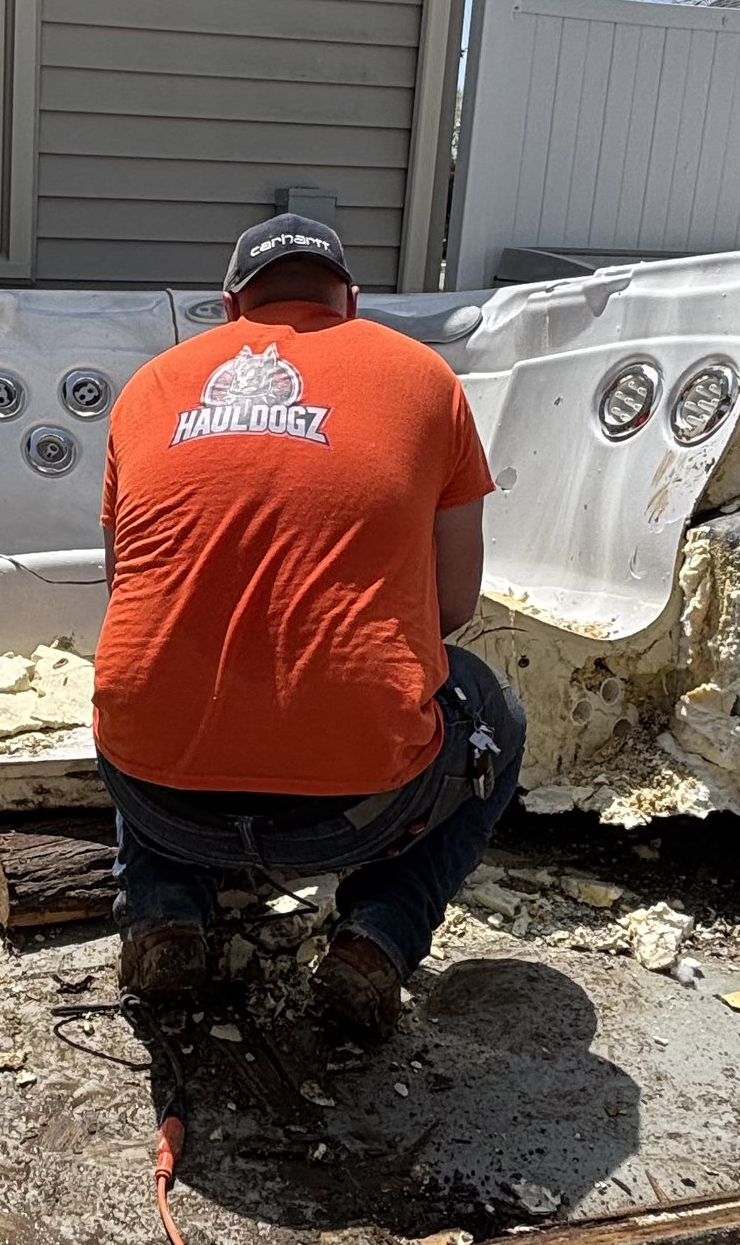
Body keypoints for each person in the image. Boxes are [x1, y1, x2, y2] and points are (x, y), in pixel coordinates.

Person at [91, 211, 525, 1042]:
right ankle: (377, 941)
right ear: (350, 301)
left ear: (229, 307)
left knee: (142, 676)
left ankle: (162, 917)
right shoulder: (426, 380)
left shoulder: (150, 387)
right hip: (360, 806)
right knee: (494, 708)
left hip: (161, 800)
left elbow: (129, 592)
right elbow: (455, 607)